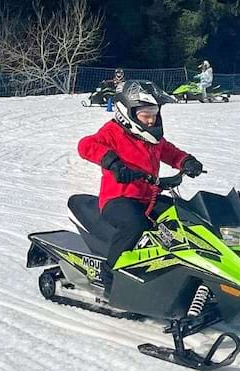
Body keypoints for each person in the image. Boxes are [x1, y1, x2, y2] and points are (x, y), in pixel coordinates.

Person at [77, 80, 203, 295]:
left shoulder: (152, 138)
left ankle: (179, 272)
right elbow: (86, 145)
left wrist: (186, 161)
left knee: (184, 219)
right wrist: (112, 163)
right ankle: (110, 276)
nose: (151, 118)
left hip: (148, 196)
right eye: (146, 114)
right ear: (127, 113)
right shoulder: (113, 132)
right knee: (136, 226)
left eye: (154, 112)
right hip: (118, 198)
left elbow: (169, 152)